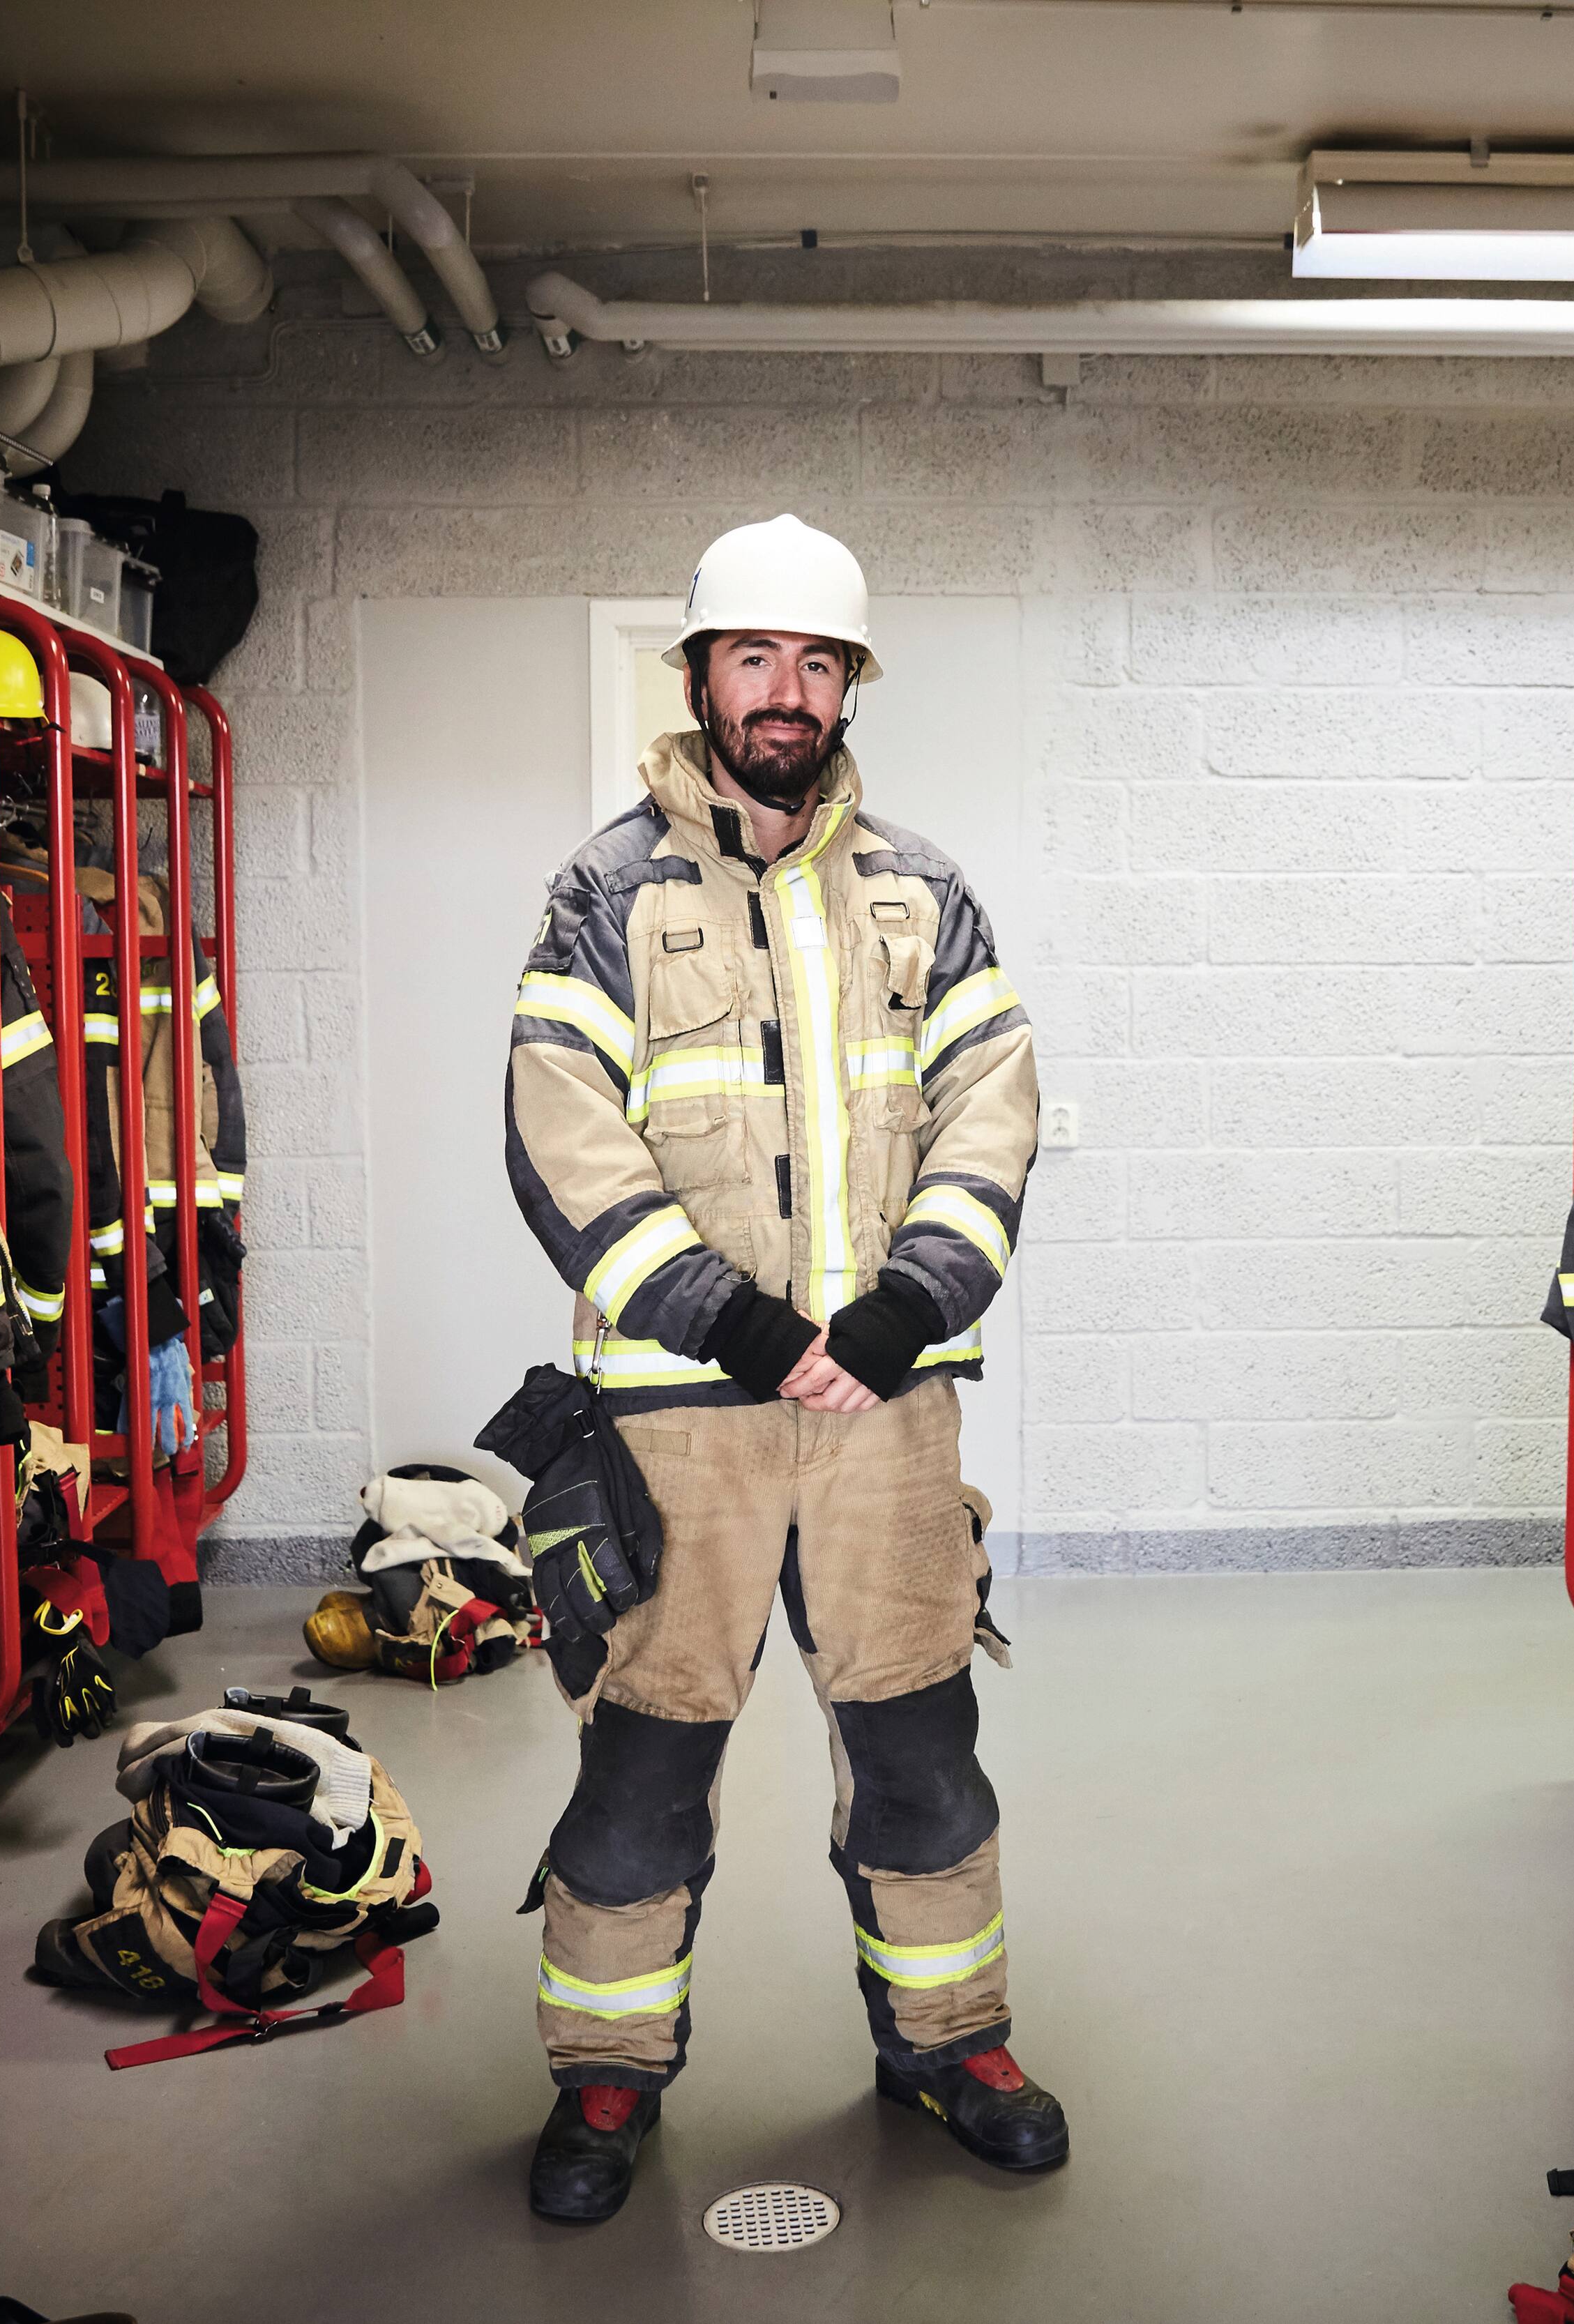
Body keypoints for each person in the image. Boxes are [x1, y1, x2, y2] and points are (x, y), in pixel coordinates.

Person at [503, 515, 1053, 2220]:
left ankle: (948, 2040)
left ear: (846, 687)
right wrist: (730, 1322)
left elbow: (995, 1104)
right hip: (686, 1423)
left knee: (920, 1749)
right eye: (755, 657)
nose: (786, 691)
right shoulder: (605, 892)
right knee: (647, 1758)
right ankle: (606, 2076)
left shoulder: (923, 888)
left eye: (817, 662)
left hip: (887, 1415)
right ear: (699, 676)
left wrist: (902, 1309)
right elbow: (559, 1137)